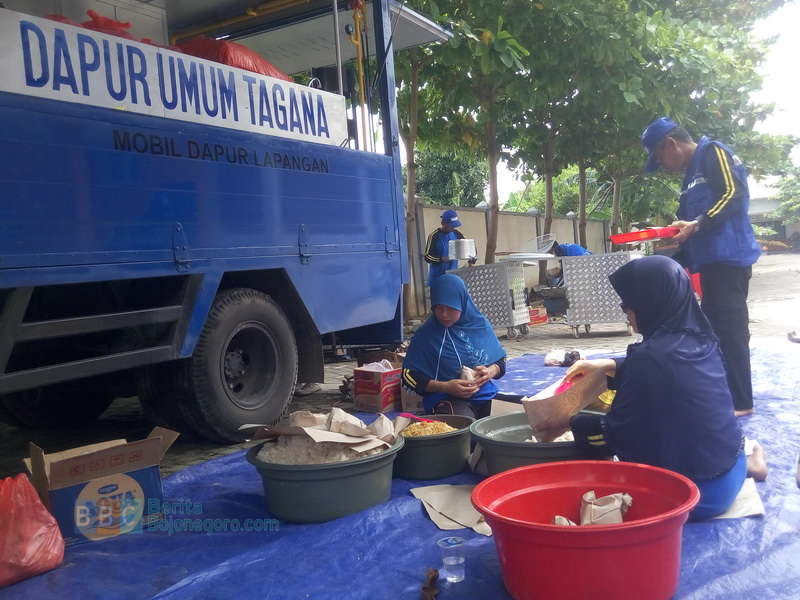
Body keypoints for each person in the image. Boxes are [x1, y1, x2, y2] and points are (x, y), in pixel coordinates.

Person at [563, 256, 765, 520]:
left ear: (650, 303)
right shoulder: (703, 338)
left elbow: (621, 432)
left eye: (629, 305)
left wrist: (566, 422)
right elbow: (669, 374)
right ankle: (751, 465)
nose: (626, 312)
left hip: (689, 498)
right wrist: (608, 365)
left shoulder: (649, 357)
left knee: (585, 426)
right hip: (729, 467)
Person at [641, 117, 760, 416]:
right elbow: (689, 225)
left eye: (660, 157)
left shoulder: (713, 152)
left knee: (730, 329)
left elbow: (734, 193)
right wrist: (674, 241)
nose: (665, 165)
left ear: (670, 145)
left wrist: (698, 223)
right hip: (707, 262)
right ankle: (724, 393)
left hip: (728, 258)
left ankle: (741, 403)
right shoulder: (689, 179)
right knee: (715, 329)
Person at [402, 274, 506, 419]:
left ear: (462, 303)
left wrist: (490, 371)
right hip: (446, 400)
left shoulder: (479, 325)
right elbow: (408, 375)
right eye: (439, 308)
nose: (444, 314)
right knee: (465, 431)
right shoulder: (426, 335)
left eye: (451, 308)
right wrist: (444, 387)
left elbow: (500, 360)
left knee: (484, 435)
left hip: (482, 396)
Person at [424, 209, 467, 285]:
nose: (453, 228)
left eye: (455, 225)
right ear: (443, 223)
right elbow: (427, 257)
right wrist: (441, 259)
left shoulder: (457, 234)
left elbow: (467, 248)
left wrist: (472, 257)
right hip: (437, 279)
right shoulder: (434, 236)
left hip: (453, 278)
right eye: (451, 225)